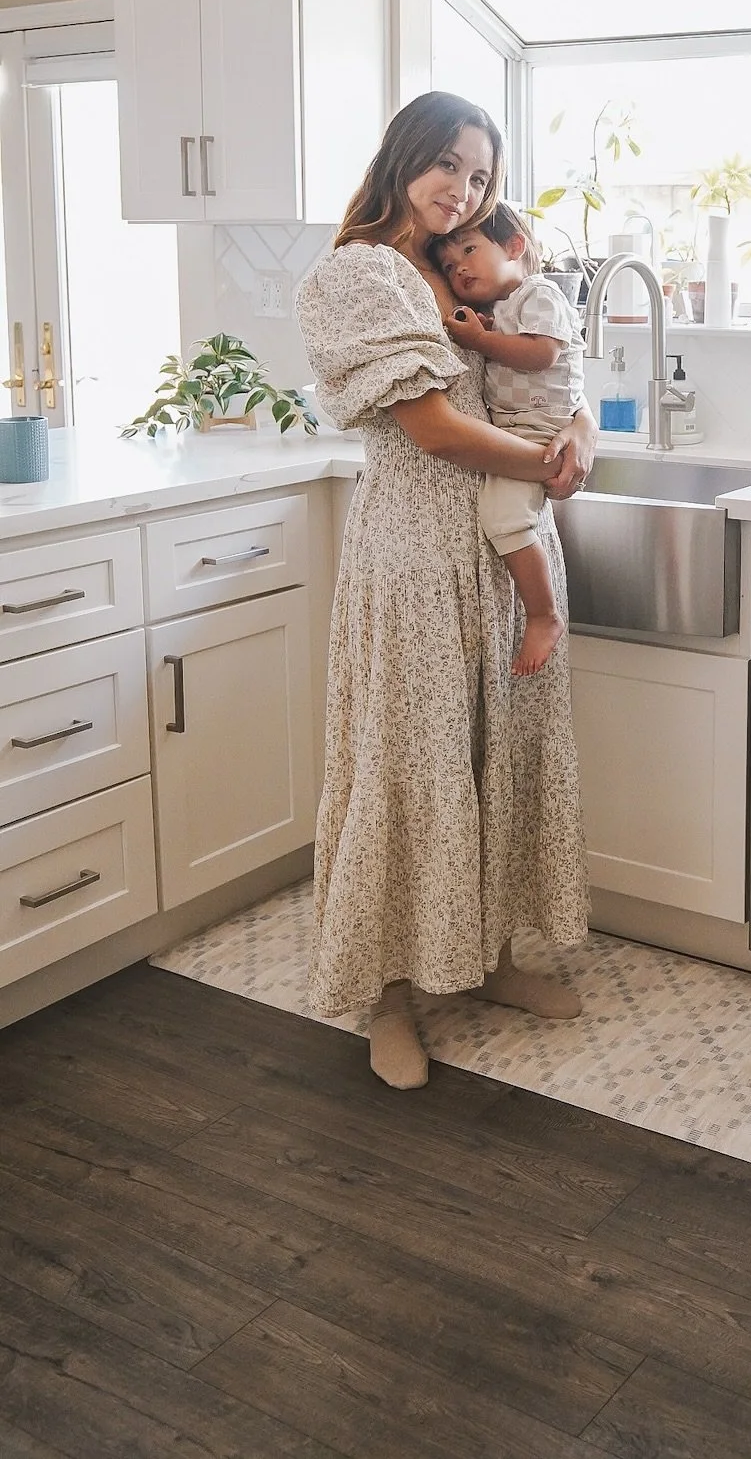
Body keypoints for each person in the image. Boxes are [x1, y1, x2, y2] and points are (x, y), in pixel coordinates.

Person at [294, 91, 596, 1090]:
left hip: (498, 552)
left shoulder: (471, 263)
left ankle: (489, 955)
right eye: (448, 166)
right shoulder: (361, 272)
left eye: (479, 177)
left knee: (494, 756)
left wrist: (579, 436)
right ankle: (385, 995)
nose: (462, 190)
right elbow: (430, 428)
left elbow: (560, 376)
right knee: (407, 763)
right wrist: (544, 462)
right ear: (405, 156)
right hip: (416, 555)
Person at [433, 202, 581, 677]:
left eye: (469, 251)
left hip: (537, 427)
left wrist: (480, 341)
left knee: (504, 518)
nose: (460, 268)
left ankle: (543, 615)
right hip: (519, 427)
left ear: (515, 247)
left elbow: (540, 355)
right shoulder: (501, 308)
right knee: (507, 517)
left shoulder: (540, 293)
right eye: (449, 266)